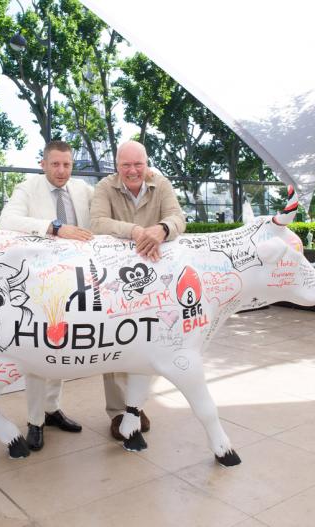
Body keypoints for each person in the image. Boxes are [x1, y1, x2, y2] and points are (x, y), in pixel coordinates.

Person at [0, 140, 93, 451]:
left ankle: (52, 410)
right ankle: (35, 420)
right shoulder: (27, 188)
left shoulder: (83, 190)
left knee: (63, 348)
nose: (61, 171)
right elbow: (6, 222)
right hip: (38, 286)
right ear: (43, 163)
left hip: (74, 285)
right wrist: (54, 227)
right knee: (40, 356)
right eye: (55, 164)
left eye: (66, 164)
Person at [90, 140, 186, 440]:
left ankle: (136, 405)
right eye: (125, 165)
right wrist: (134, 231)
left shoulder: (161, 183)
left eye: (138, 164)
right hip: (115, 278)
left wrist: (162, 229)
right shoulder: (105, 186)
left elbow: (178, 217)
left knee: (147, 340)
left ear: (146, 163)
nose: (132, 170)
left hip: (154, 279)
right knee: (116, 340)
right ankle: (118, 411)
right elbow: (96, 223)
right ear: (116, 166)